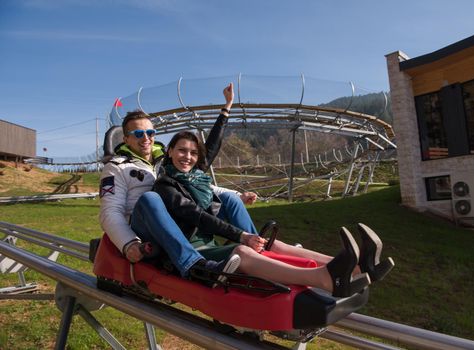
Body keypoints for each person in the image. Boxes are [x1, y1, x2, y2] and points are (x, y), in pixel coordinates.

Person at [151, 122, 395, 298]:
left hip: (212, 245)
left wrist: (226, 110)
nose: (188, 157)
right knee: (242, 252)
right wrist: (242, 236)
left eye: (193, 153)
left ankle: (356, 267)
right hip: (195, 253)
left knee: (271, 245)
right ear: (169, 151)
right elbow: (197, 217)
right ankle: (323, 278)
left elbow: (211, 147)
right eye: (181, 150)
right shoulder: (166, 185)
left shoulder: (198, 179)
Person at [99, 83, 257, 285]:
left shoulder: (165, 162)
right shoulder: (117, 167)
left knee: (228, 199)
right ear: (126, 139)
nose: (146, 138)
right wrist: (128, 243)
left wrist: (236, 194)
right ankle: (194, 264)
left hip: (176, 220)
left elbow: (197, 182)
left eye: (151, 132)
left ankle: (260, 248)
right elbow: (109, 212)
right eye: (138, 134)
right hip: (143, 228)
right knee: (151, 198)